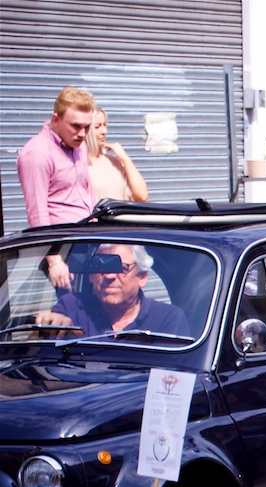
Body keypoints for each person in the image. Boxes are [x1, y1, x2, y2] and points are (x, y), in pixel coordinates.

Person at [18, 87, 96, 289]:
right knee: (74, 312)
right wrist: (54, 260)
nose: (82, 134)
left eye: (87, 127)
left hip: (87, 242)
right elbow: (37, 214)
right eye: (76, 126)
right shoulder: (38, 153)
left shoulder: (79, 146)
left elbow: (87, 194)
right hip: (62, 249)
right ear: (55, 119)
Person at [35, 243, 190, 338]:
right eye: (101, 266)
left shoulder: (167, 320)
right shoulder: (71, 308)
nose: (109, 275)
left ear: (142, 277)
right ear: (91, 276)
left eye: (121, 268)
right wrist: (45, 328)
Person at [86, 108, 149, 204]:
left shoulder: (114, 163)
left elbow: (142, 196)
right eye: (97, 127)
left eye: (105, 125)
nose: (104, 131)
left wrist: (125, 159)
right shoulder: (80, 164)